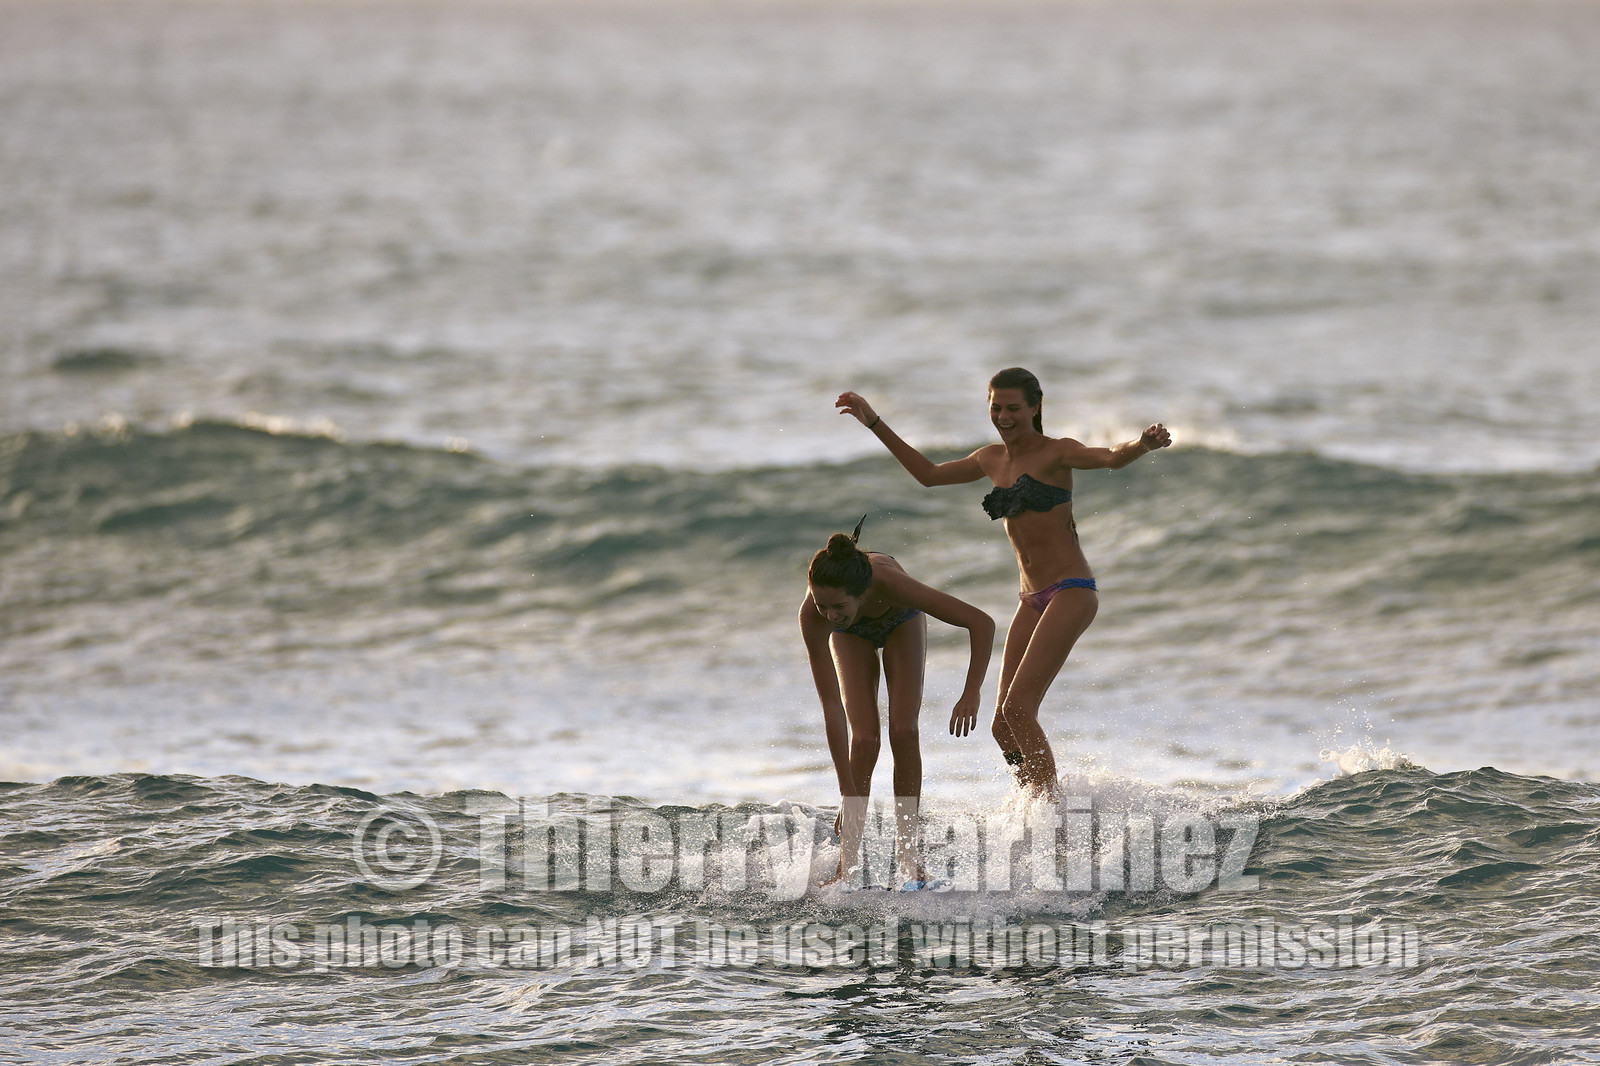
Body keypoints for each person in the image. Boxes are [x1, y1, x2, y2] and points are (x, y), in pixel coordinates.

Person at [835, 368, 1171, 798]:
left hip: (1071, 590)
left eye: (1014, 407)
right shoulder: (990, 459)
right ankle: (1031, 799)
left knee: (1019, 709)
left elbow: (1108, 456)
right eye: (996, 407)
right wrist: (874, 422)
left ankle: (1053, 816)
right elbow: (928, 474)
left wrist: (1141, 444)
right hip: (1031, 599)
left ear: (1035, 407)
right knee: (1001, 725)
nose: (1004, 416)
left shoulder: (1056, 452)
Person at [800, 518, 994, 887]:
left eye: (837, 605)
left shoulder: (891, 583)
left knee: (903, 731)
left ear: (861, 590)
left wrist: (971, 691)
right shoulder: (816, 616)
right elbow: (831, 707)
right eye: (821, 605)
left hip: (900, 622)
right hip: (852, 638)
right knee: (866, 739)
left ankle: (909, 859)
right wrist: (848, 790)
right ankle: (847, 867)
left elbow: (980, 623)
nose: (829, 615)